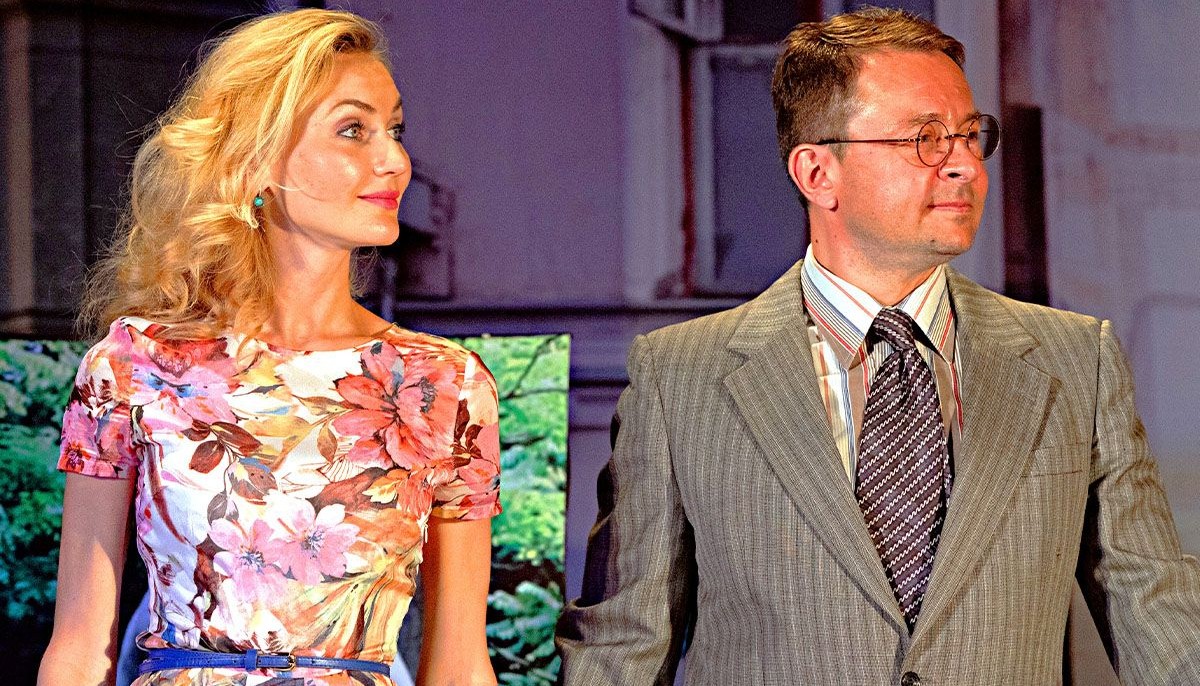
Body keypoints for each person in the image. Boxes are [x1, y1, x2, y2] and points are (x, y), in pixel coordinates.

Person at [556, 8, 1200, 685]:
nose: (964, 165)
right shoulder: (679, 378)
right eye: (925, 139)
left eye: (970, 135)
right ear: (817, 172)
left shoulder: (1076, 362)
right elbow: (620, 652)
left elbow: (1158, 617)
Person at [36, 9, 501, 686]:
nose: (395, 160)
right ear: (256, 160)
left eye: (395, 130)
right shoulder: (133, 366)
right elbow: (79, 651)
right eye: (353, 129)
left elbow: (459, 664)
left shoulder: (444, 383)